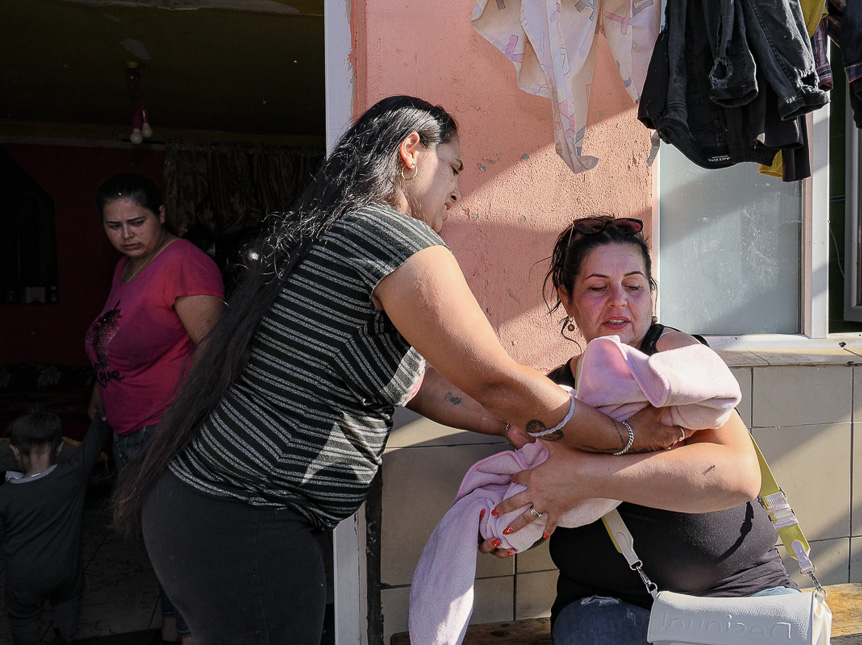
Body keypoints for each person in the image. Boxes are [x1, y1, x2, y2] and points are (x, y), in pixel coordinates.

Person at [111, 96, 676, 645]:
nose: (457, 189)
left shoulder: (340, 231)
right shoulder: (391, 236)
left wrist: (515, 424)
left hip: (206, 512)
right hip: (242, 514)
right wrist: (623, 435)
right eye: (453, 167)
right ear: (411, 150)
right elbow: (495, 379)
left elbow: (423, 385)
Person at [483, 215, 798, 643]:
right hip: (607, 604)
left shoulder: (675, 362)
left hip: (742, 594)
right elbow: (546, 499)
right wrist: (512, 526)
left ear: (651, 294)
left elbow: (738, 477)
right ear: (567, 299)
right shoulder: (553, 396)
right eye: (598, 287)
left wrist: (584, 476)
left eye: (634, 286)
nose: (619, 301)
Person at [87, 172, 224, 645]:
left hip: (165, 430)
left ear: (161, 214)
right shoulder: (127, 267)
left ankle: (193, 634)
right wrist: (101, 388)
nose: (126, 235)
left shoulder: (183, 263)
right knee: (160, 543)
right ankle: (173, 625)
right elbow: (117, 336)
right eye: (114, 225)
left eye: (137, 222)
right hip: (132, 428)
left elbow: (214, 349)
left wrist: (177, 427)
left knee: (179, 545)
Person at [0, 408, 109, 645]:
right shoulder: (73, 475)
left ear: (15, 451)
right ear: (59, 448)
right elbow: (98, 434)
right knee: (68, 610)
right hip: (66, 574)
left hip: (24, 579)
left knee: (24, 623)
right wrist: (101, 408)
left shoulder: (5, 495)